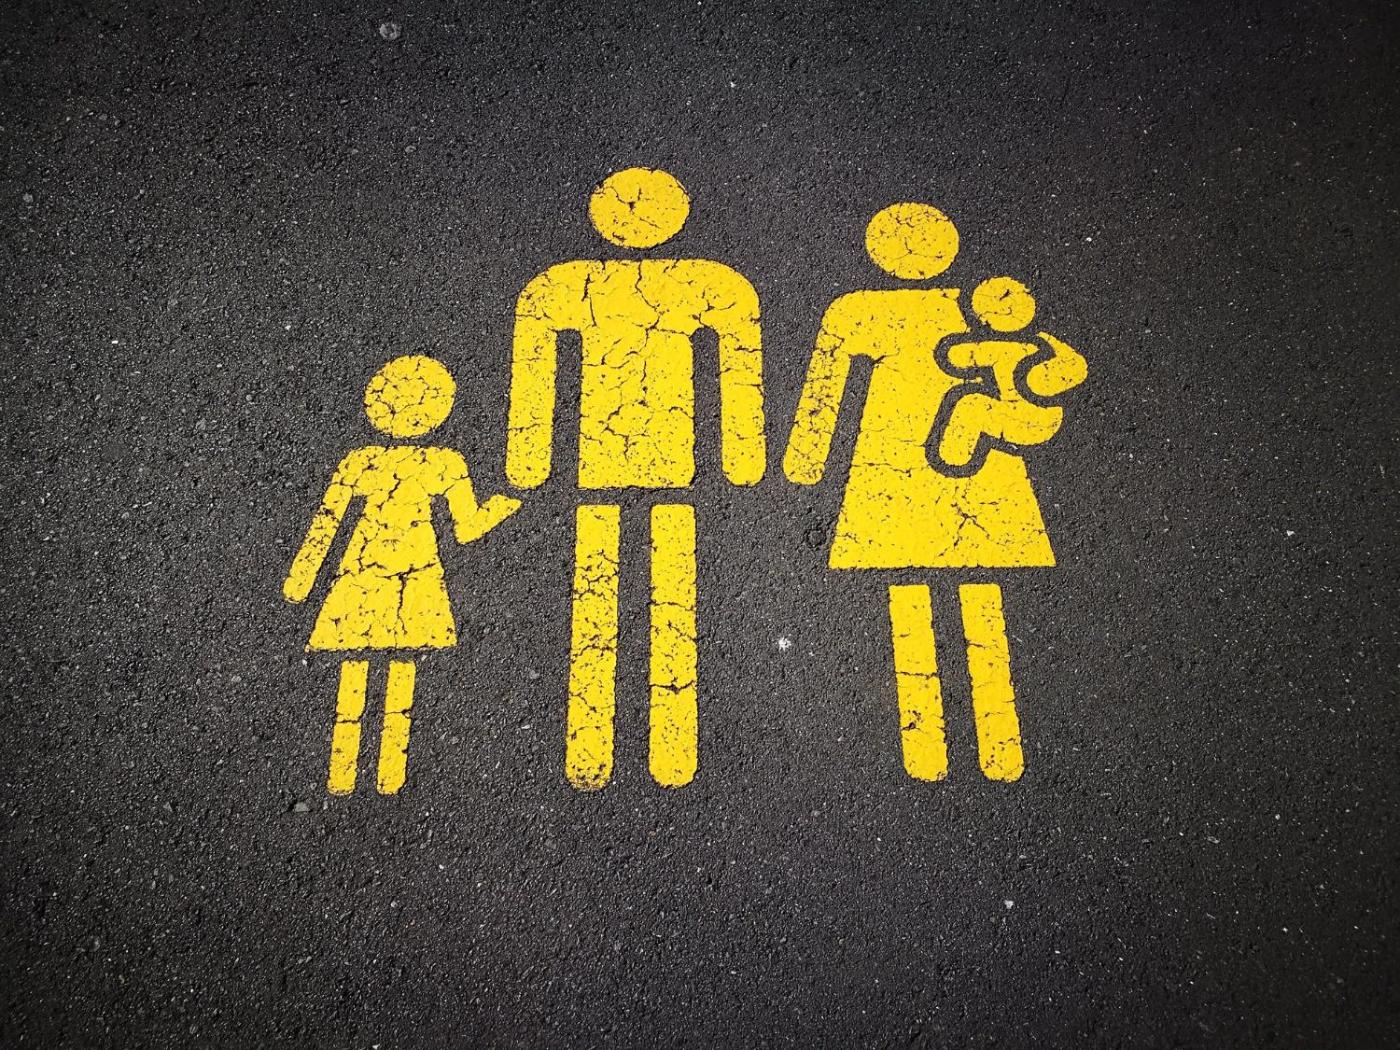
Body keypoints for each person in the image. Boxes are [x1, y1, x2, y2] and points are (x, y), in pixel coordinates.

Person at [783, 204, 1087, 783]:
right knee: (978, 589)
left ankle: (926, 742)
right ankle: (998, 739)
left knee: (911, 593)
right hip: (968, 467)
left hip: (890, 457)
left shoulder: (858, 309)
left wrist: (806, 459)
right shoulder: (971, 306)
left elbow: (826, 386)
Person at [506, 167, 765, 790]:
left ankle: (604, 742)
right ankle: (657, 744)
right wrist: (742, 455)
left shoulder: (566, 283)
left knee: (612, 591)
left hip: (619, 463)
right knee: (662, 587)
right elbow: (740, 362)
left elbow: (535, 365)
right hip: (655, 460)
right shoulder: (706, 282)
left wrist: (528, 460)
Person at [283, 355, 520, 795]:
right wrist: (501, 507)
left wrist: (301, 579)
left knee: (357, 663)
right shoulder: (443, 462)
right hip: (416, 566)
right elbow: (467, 529)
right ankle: (389, 768)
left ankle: (345, 766)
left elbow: (327, 523)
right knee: (400, 666)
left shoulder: (361, 461)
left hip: (365, 567)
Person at [932, 276, 1088, 471]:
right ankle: (952, 459)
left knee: (971, 406)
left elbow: (955, 355)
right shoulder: (1031, 345)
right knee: (972, 405)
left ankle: (953, 458)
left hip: (1032, 423)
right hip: (1044, 418)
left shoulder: (1001, 348)